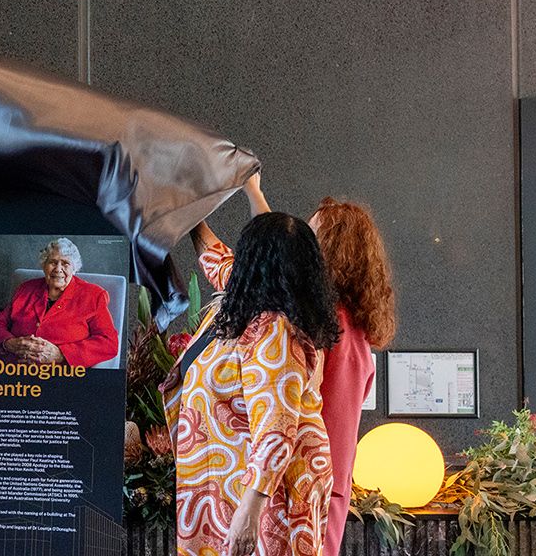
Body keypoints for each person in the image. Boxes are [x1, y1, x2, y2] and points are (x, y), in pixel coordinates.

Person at [169, 174, 340, 556]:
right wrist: (194, 212)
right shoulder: (253, 297)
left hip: (267, 495)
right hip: (236, 480)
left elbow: (276, 429)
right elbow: (216, 259)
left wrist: (249, 512)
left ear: (254, 263)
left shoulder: (275, 330)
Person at [307, 197, 395, 556]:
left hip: (313, 491)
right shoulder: (347, 326)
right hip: (322, 489)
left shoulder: (333, 327)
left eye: (310, 237)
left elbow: (330, 427)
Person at [0, 238, 121, 367]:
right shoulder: (26, 288)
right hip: (14, 369)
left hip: (61, 373)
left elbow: (108, 343)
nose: (58, 269)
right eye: (53, 262)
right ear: (44, 265)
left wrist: (60, 354)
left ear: (74, 268)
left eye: (65, 263)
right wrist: (10, 343)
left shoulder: (93, 296)